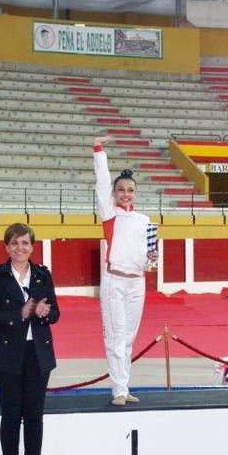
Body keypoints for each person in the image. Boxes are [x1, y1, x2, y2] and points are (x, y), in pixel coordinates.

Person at [0, 223, 59, 455]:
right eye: (14, 243)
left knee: (35, 415)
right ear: (6, 247)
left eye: (25, 243)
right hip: (6, 355)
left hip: (38, 354)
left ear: (32, 247)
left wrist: (43, 313)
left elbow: (55, 313)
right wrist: (21, 313)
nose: (20, 248)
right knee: (11, 414)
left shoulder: (42, 275)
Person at [92, 135, 155, 406]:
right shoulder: (109, 213)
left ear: (136, 193)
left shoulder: (145, 221)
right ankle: (118, 389)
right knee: (116, 337)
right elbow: (102, 182)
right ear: (114, 193)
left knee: (128, 339)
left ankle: (124, 385)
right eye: (121, 189)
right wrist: (99, 150)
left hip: (137, 283)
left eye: (130, 190)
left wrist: (152, 260)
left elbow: (148, 260)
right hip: (114, 282)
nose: (126, 194)